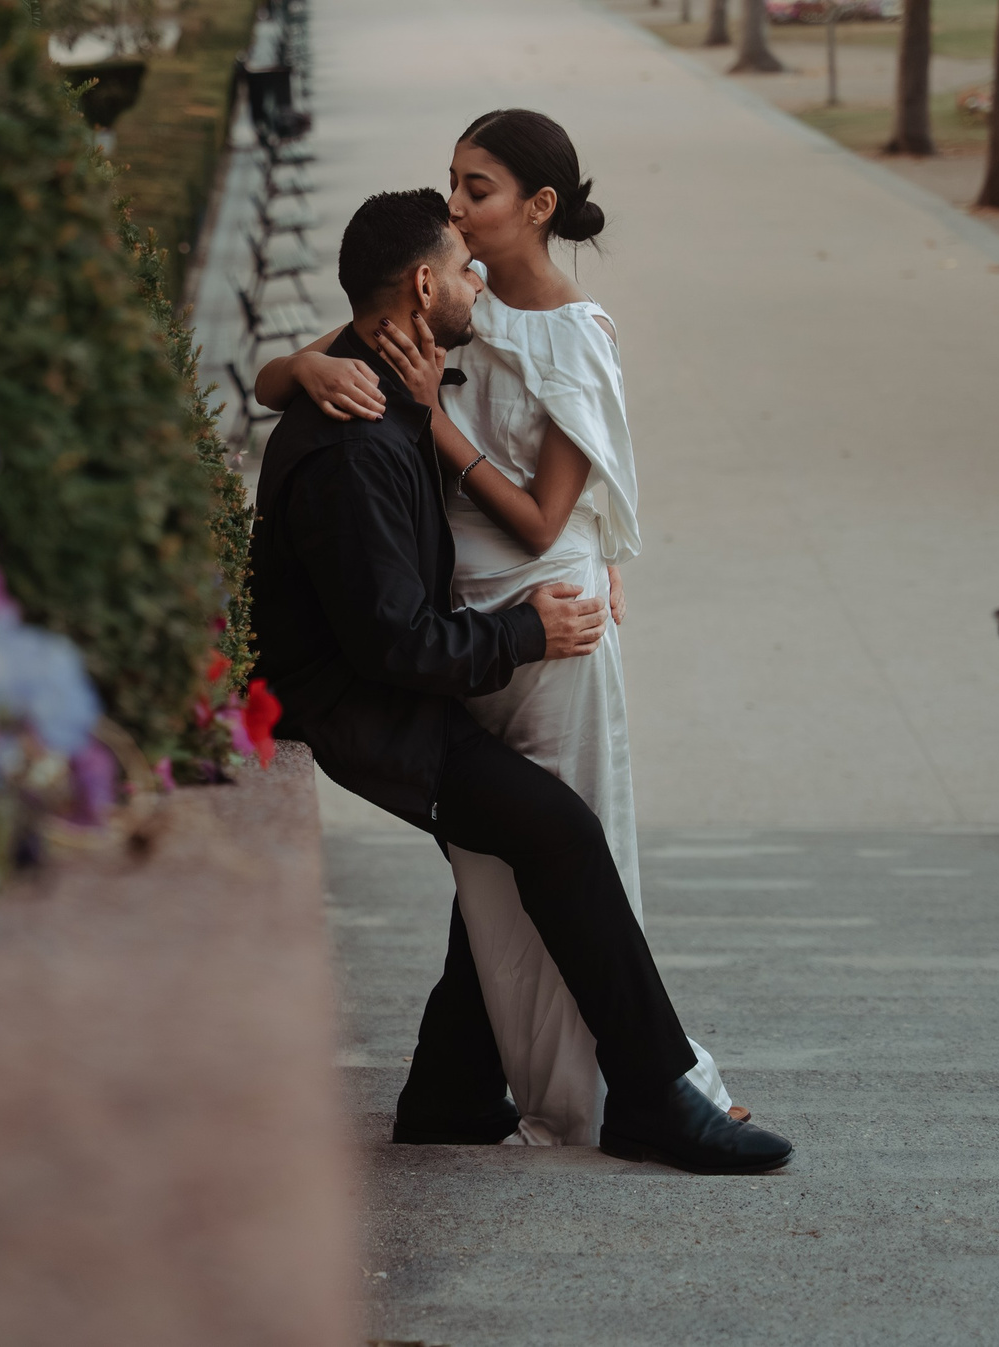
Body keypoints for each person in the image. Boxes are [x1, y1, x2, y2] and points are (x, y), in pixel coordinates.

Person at [246, 185, 791, 1173]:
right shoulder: (357, 440)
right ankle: (654, 1094)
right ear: (421, 286)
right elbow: (393, 648)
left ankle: (450, 1093)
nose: (476, 278)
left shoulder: (380, 373)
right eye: (460, 267)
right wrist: (523, 636)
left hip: (387, 686)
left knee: (514, 854)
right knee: (559, 833)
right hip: (369, 715)